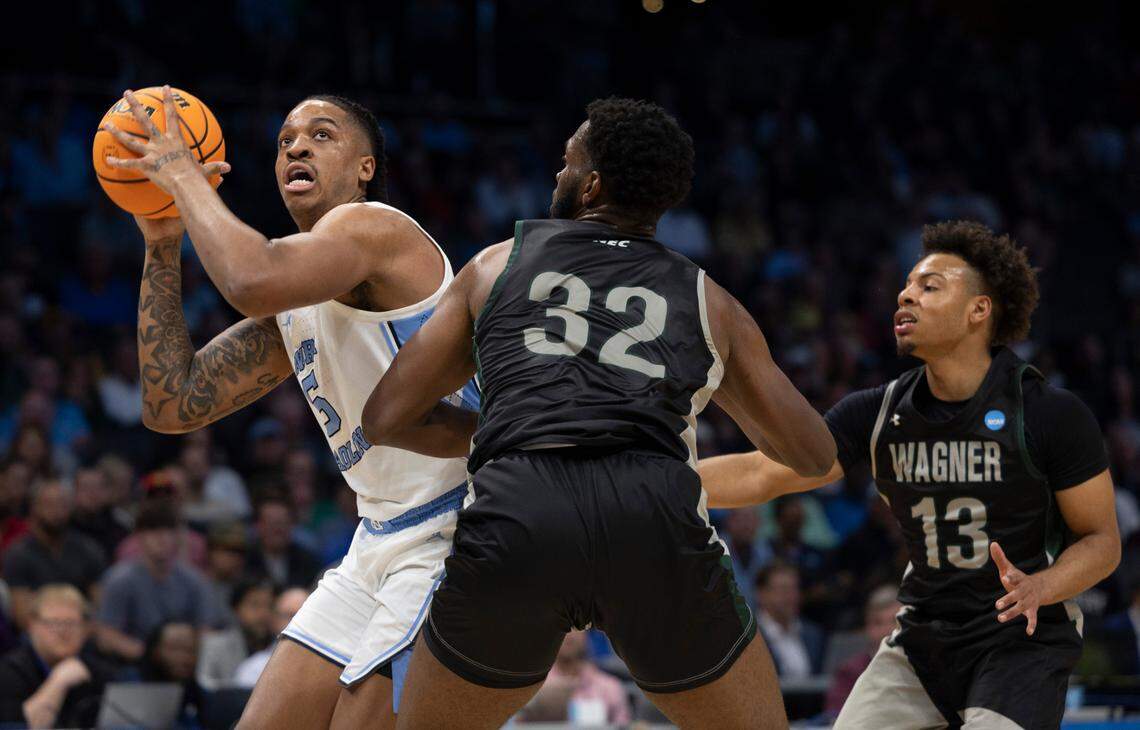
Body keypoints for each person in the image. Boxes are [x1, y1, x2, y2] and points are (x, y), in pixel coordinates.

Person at [362, 97, 836, 729]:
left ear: (590, 186)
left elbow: (385, 417)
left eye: (565, 164)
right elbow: (814, 454)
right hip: (653, 519)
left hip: (521, 513)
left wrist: (503, 432)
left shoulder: (494, 266)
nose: (557, 175)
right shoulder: (709, 299)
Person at [103, 86, 479, 728]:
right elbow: (173, 405)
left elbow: (251, 278)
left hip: (456, 527)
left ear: (366, 168)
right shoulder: (299, 299)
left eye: (322, 135)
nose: (297, 146)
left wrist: (182, 177)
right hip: (379, 537)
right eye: (284, 143)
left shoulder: (374, 227)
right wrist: (162, 240)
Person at [698, 221, 1121, 729]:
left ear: (978, 311)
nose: (906, 296)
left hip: (1020, 637)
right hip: (923, 637)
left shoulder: (1048, 413)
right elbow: (764, 474)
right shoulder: (877, 412)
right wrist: (657, 479)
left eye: (929, 286)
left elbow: (1102, 541)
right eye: (906, 286)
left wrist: (1042, 586)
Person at [95, 497, 220, 661]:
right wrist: (154, 657)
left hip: (185, 664)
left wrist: (184, 655)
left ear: (178, 536)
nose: (162, 538)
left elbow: (206, 631)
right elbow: (106, 637)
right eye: (153, 530)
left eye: (168, 531)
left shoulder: (194, 580)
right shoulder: (119, 579)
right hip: (135, 666)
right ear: (139, 536)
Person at [0, 584, 115, 729]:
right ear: (32, 626)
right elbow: (25, 726)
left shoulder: (100, 672)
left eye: (71, 623)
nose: (62, 632)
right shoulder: (8, 671)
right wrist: (59, 681)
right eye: (53, 623)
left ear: (86, 629)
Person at [2, 479, 106, 629]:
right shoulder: (18, 554)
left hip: (82, 628)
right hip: (37, 633)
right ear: (34, 507)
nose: (57, 511)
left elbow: (101, 605)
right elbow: (23, 617)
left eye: (63, 504)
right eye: (49, 504)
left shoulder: (87, 549)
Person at [518, 630, 631, 725]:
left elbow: (622, 726)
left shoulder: (609, 687)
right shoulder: (530, 686)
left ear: (587, 634)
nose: (570, 633)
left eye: (577, 626)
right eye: (563, 626)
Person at [824, 584, 902, 718]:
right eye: (878, 623)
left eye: (894, 622)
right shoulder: (849, 672)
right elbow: (835, 717)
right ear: (867, 628)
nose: (887, 630)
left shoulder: (923, 667)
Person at [197, 578, 275, 690]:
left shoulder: (279, 647)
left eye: (269, 606)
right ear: (236, 609)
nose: (264, 613)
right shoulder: (214, 645)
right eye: (255, 605)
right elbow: (205, 686)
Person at [754, 561, 825, 680]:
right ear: (762, 594)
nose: (791, 596)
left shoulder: (813, 634)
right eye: (783, 590)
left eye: (795, 589)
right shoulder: (748, 636)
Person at [233, 587, 309, 689]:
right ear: (274, 620)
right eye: (290, 616)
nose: (297, 623)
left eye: (304, 616)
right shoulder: (252, 669)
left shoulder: (329, 668)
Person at [244, 497, 321, 589]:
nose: (278, 529)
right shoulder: (245, 560)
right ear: (258, 526)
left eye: (282, 522)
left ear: (292, 525)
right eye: (271, 523)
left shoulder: (308, 561)